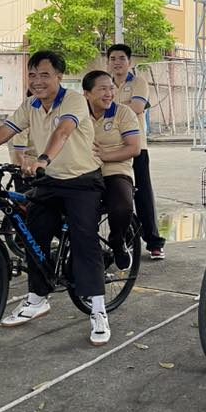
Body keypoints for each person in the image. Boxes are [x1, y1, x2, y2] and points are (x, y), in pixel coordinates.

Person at [0, 51, 111, 346]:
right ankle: (37, 298)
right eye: (32, 75)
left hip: (82, 181)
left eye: (44, 75)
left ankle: (98, 309)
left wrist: (43, 159)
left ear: (59, 76)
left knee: (84, 238)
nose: (37, 81)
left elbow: (63, 131)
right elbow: (4, 131)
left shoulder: (73, 100)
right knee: (33, 232)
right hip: (49, 182)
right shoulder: (31, 104)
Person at [107, 44, 166, 261]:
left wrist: (108, 110)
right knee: (116, 195)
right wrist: (122, 106)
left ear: (129, 62)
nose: (117, 62)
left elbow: (137, 108)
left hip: (136, 146)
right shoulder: (106, 84)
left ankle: (154, 242)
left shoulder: (138, 82)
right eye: (113, 58)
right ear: (108, 62)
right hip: (111, 148)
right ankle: (125, 239)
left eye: (121, 58)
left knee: (143, 194)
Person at [82, 70, 141, 266]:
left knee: (122, 206)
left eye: (111, 88)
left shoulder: (123, 113)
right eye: (102, 89)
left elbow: (134, 148)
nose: (109, 94)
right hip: (84, 171)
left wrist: (105, 156)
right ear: (87, 93)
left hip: (116, 171)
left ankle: (118, 240)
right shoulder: (78, 114)